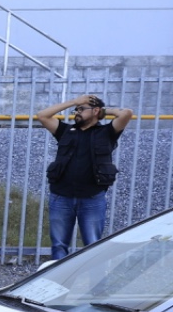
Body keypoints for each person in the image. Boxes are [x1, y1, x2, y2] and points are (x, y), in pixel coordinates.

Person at [36, 94, 136, 260]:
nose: (77, 112)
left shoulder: (107, 132)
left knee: (93, 247)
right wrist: (75, 102)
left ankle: (96, 285)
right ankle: (59, 284)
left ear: (96, 111)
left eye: (81, 109)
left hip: (92, 199)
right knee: (59, 246)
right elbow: (42, 115)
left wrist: (103, 111)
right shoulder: (65, 131)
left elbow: (126, 113)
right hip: (61, 197)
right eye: (76, 109)